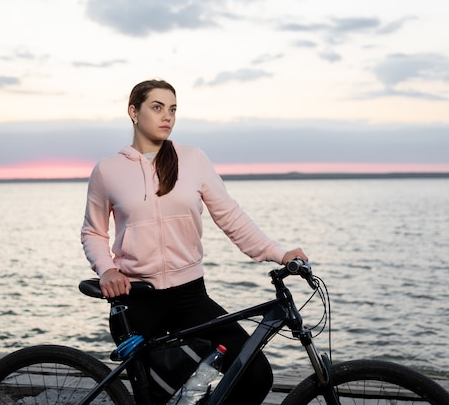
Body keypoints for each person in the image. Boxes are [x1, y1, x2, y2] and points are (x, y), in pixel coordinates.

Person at [81, 79, 308, 404]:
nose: (167, 116)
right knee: (157, 397)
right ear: (133, 112)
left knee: (255, 374)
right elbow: (92, 232)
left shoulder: (193, 160)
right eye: (157, 107)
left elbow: (230, 217)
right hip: (138, 302)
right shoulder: (108, 170)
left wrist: (279, 253)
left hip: (190, 298)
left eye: (172, 109)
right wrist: (106, 270)